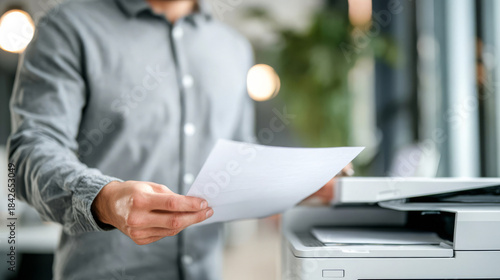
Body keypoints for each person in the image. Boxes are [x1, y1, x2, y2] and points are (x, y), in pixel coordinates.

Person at [8, 0, 337, 279]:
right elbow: (31, 152)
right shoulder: (66, 27)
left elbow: (239, 161)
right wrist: (104, 200)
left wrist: (296, 183)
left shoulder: (233, 48)